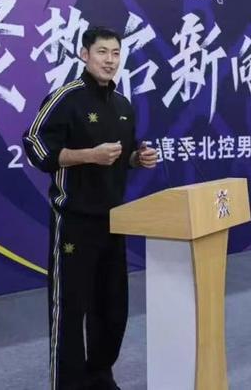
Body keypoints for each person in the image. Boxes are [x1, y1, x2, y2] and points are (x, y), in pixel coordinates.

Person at [23, 26, 158, 390]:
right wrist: (88, 156)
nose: (109, 60)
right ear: (85, 55)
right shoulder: (66, 97)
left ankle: (99, 377)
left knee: (112, 309)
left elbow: (122, 157)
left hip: (114, 221)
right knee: (70, 310)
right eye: (102, 52)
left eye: (115, 53)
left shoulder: (123, 105)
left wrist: (138, 158)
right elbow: (35, 146)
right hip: (74, 222)